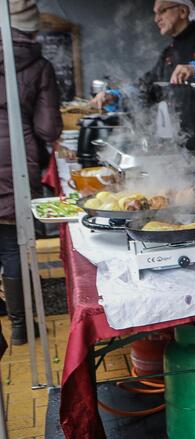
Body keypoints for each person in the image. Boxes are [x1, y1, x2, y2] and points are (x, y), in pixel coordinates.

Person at [91, 0, 195, 265]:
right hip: (189, 146)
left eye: (162, 10)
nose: (156, 17)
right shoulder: (168, 53)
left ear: (182, 11)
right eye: (155, 13)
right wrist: (112, 98)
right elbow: (146, 91)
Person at [0, 0, 62, 347]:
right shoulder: (39, 66)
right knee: (13, 247)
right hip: (15, 162)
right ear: (33, 28)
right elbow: (48, 126)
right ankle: (22, 326)